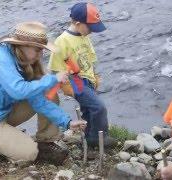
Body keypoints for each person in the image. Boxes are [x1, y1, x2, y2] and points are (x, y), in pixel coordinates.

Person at [0, 22, 87, 165]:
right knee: (29, 153)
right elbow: (18, 91)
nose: (40, 55)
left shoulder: (25, 61)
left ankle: (46, 142)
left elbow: (38, 100)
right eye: (37, 50)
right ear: (22, 45)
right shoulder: (0, 59)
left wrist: (67, 122)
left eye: (42, 50)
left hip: (4, 113)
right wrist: (54, 78)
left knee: (46, 91)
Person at [48, 2, 115, 147]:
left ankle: (89, 137)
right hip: (75, 80)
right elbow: (55, 68)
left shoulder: (84, 36)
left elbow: (90, 59)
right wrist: (65, 86)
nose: (92, 31)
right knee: (99, 107)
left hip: (88, 78)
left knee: (89, 108)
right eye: (90, 27)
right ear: (78, 23)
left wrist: (95, 76)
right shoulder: (62, 41)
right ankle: (98, 139)